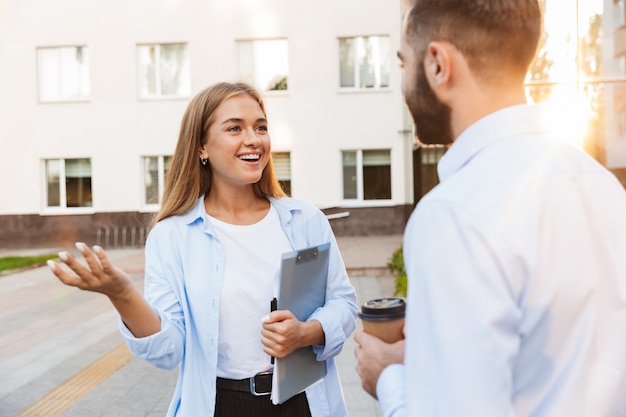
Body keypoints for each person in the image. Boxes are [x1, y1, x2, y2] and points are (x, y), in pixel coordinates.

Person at [355, 1, 626, 416]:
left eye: (401, 62)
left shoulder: (453, 214)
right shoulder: (604, 186)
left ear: (438, 65)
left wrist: (387, 379)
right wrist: (432, 356)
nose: (403, 82)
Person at [48, 81, 358, 417]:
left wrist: (306, 332)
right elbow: (168, 351)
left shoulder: (305, 219)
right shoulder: (172, 236)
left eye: (260, 127)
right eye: (234, 128)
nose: (253, 139)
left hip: (303, 402)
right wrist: (122, 294)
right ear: (202, 148)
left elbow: (343, 302)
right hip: (220, 403)